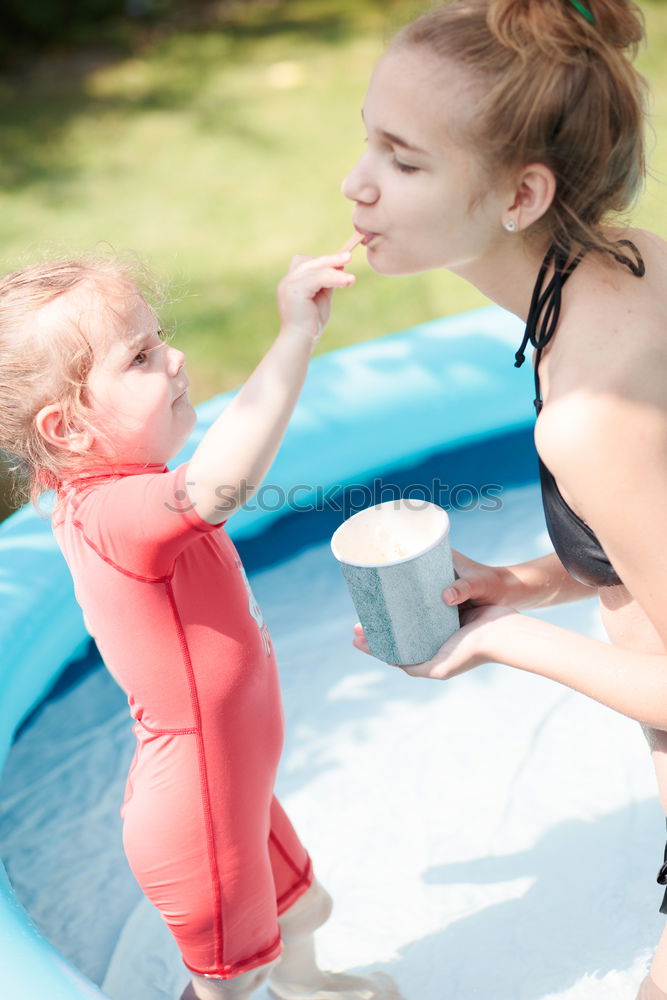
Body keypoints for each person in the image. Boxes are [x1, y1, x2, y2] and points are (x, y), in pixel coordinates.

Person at [341, 1, 667, 997]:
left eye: (402, 159)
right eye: (366, 142)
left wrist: (491, 640)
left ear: (521, 192)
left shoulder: (585, 416)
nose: (355, 185)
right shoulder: (640, 265)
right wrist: (520, 584)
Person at [0, 250, 400, 1000]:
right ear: (69, 426)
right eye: (143, 356)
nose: (176, 358)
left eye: (161, 336)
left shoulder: (117, 486)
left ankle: (309, 988)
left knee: (297, 907)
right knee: (229, 975)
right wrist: (293, 339)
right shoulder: (109, 513)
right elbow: (223, 480)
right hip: (198, 803)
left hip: (235, 782)